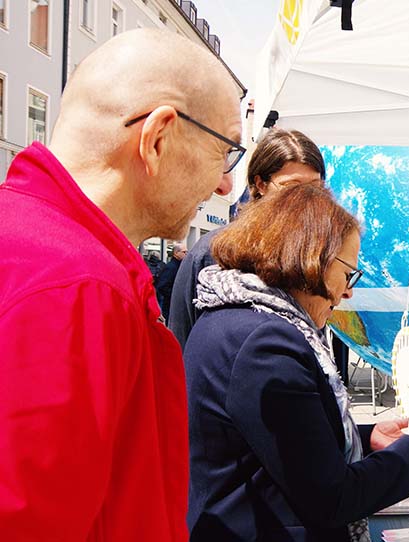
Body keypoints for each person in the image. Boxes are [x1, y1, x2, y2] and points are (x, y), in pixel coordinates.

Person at [0, 29, 241, 540]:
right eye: (226, 153)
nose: (226, 185)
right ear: (157, 138)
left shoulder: (37, 248)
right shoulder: (77, 285)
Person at [184, 182, 409, 541]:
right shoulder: (265, 345)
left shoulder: (232, 320)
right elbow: (331, 498)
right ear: (311, 258)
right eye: (348, 273)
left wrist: (365, 438)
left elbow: (287, 448)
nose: (349, 290)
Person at [168, 128, 326, 348]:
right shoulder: (213, 253)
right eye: (292, 187)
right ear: (261, 184)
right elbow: (182, 339)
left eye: (315, 188)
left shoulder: (313, 254)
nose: (305, 198)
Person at [156, 243, 187, 321]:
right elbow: (162, 286)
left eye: (187, 252)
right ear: (176, 253)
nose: (186, 254)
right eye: (184, 252)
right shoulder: (171, 267)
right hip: (171, 305)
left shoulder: (180, 265)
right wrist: (174, 295)